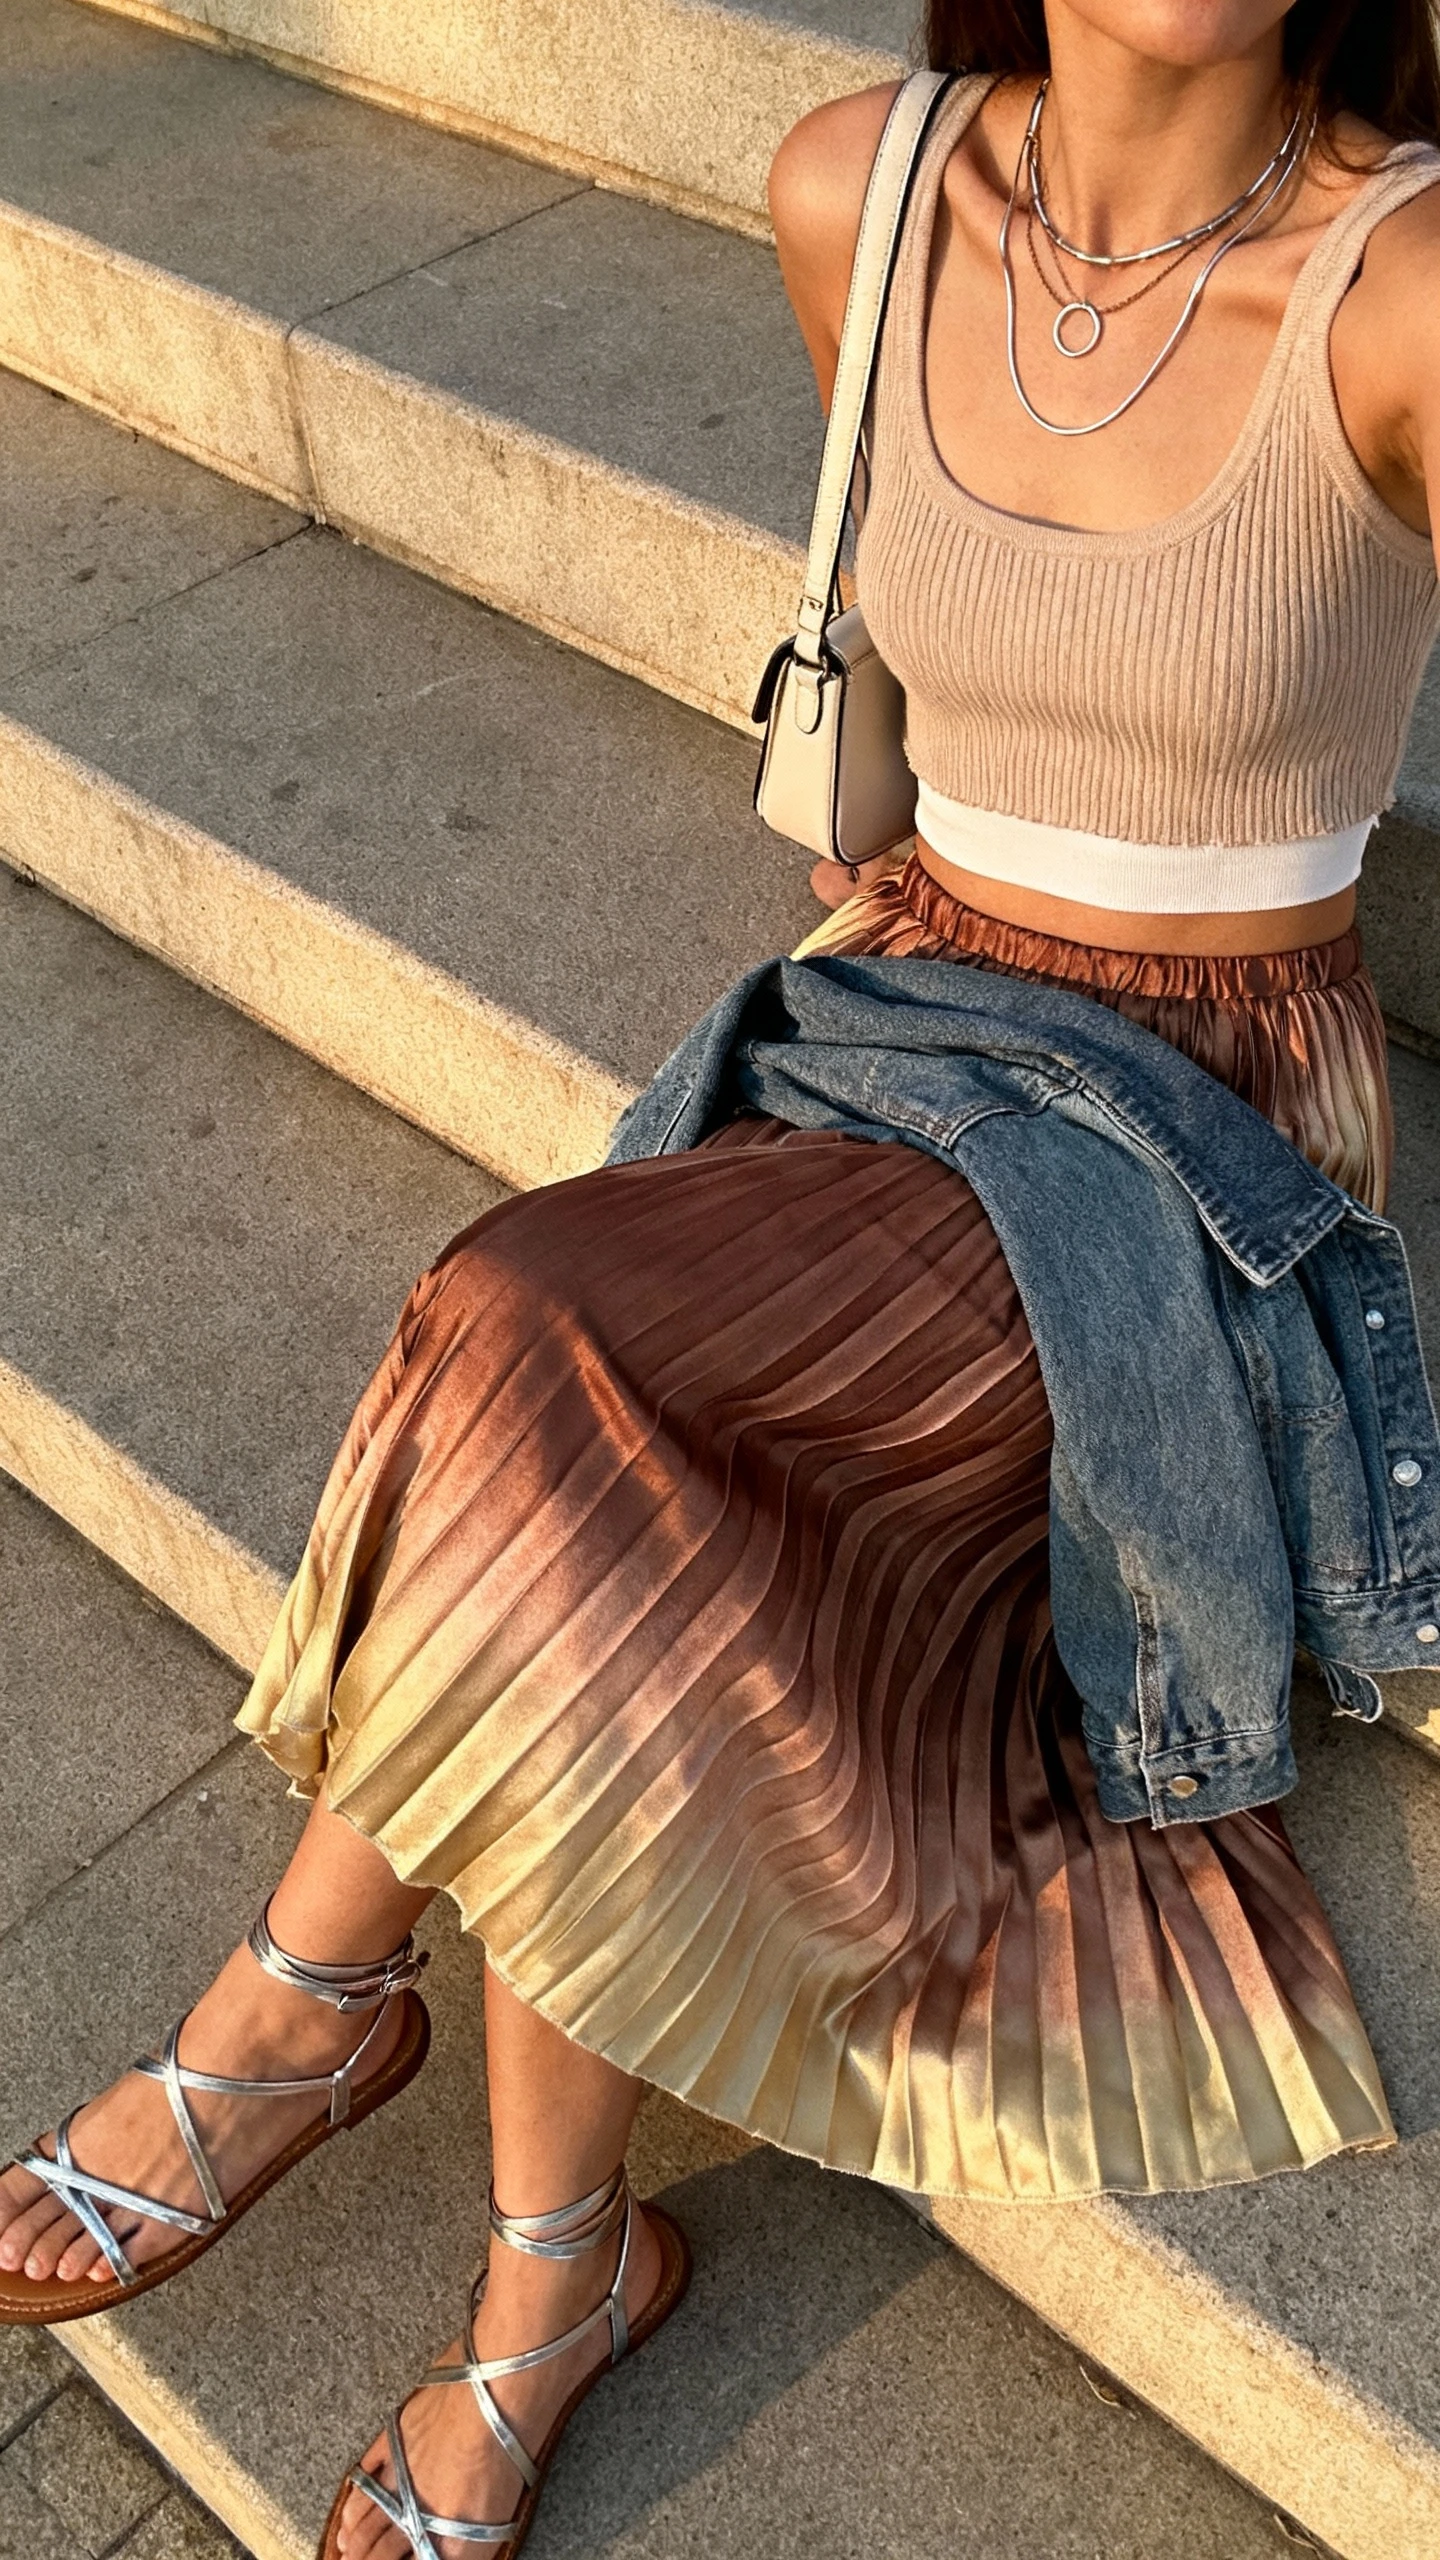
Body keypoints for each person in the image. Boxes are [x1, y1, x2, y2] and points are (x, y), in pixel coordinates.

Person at [5, 2, 1440, 2555]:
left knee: (531, 1331)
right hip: (900, 1000)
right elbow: (885, 651)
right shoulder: (854, 195)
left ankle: (310, 2013)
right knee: (577, 1430)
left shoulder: (1406, 283)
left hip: (1188, 1116)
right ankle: (548, 2256)